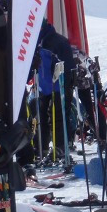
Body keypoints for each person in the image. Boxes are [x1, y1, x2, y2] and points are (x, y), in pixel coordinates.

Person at [31, 17, 75, 162]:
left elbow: (67, 66)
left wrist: (66, 85)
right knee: (41, 117)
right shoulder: (38, 42)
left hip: (59, 84)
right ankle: (41, 148)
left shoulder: (56, 41)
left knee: (58, 117)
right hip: (45, 85)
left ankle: (60, 147)